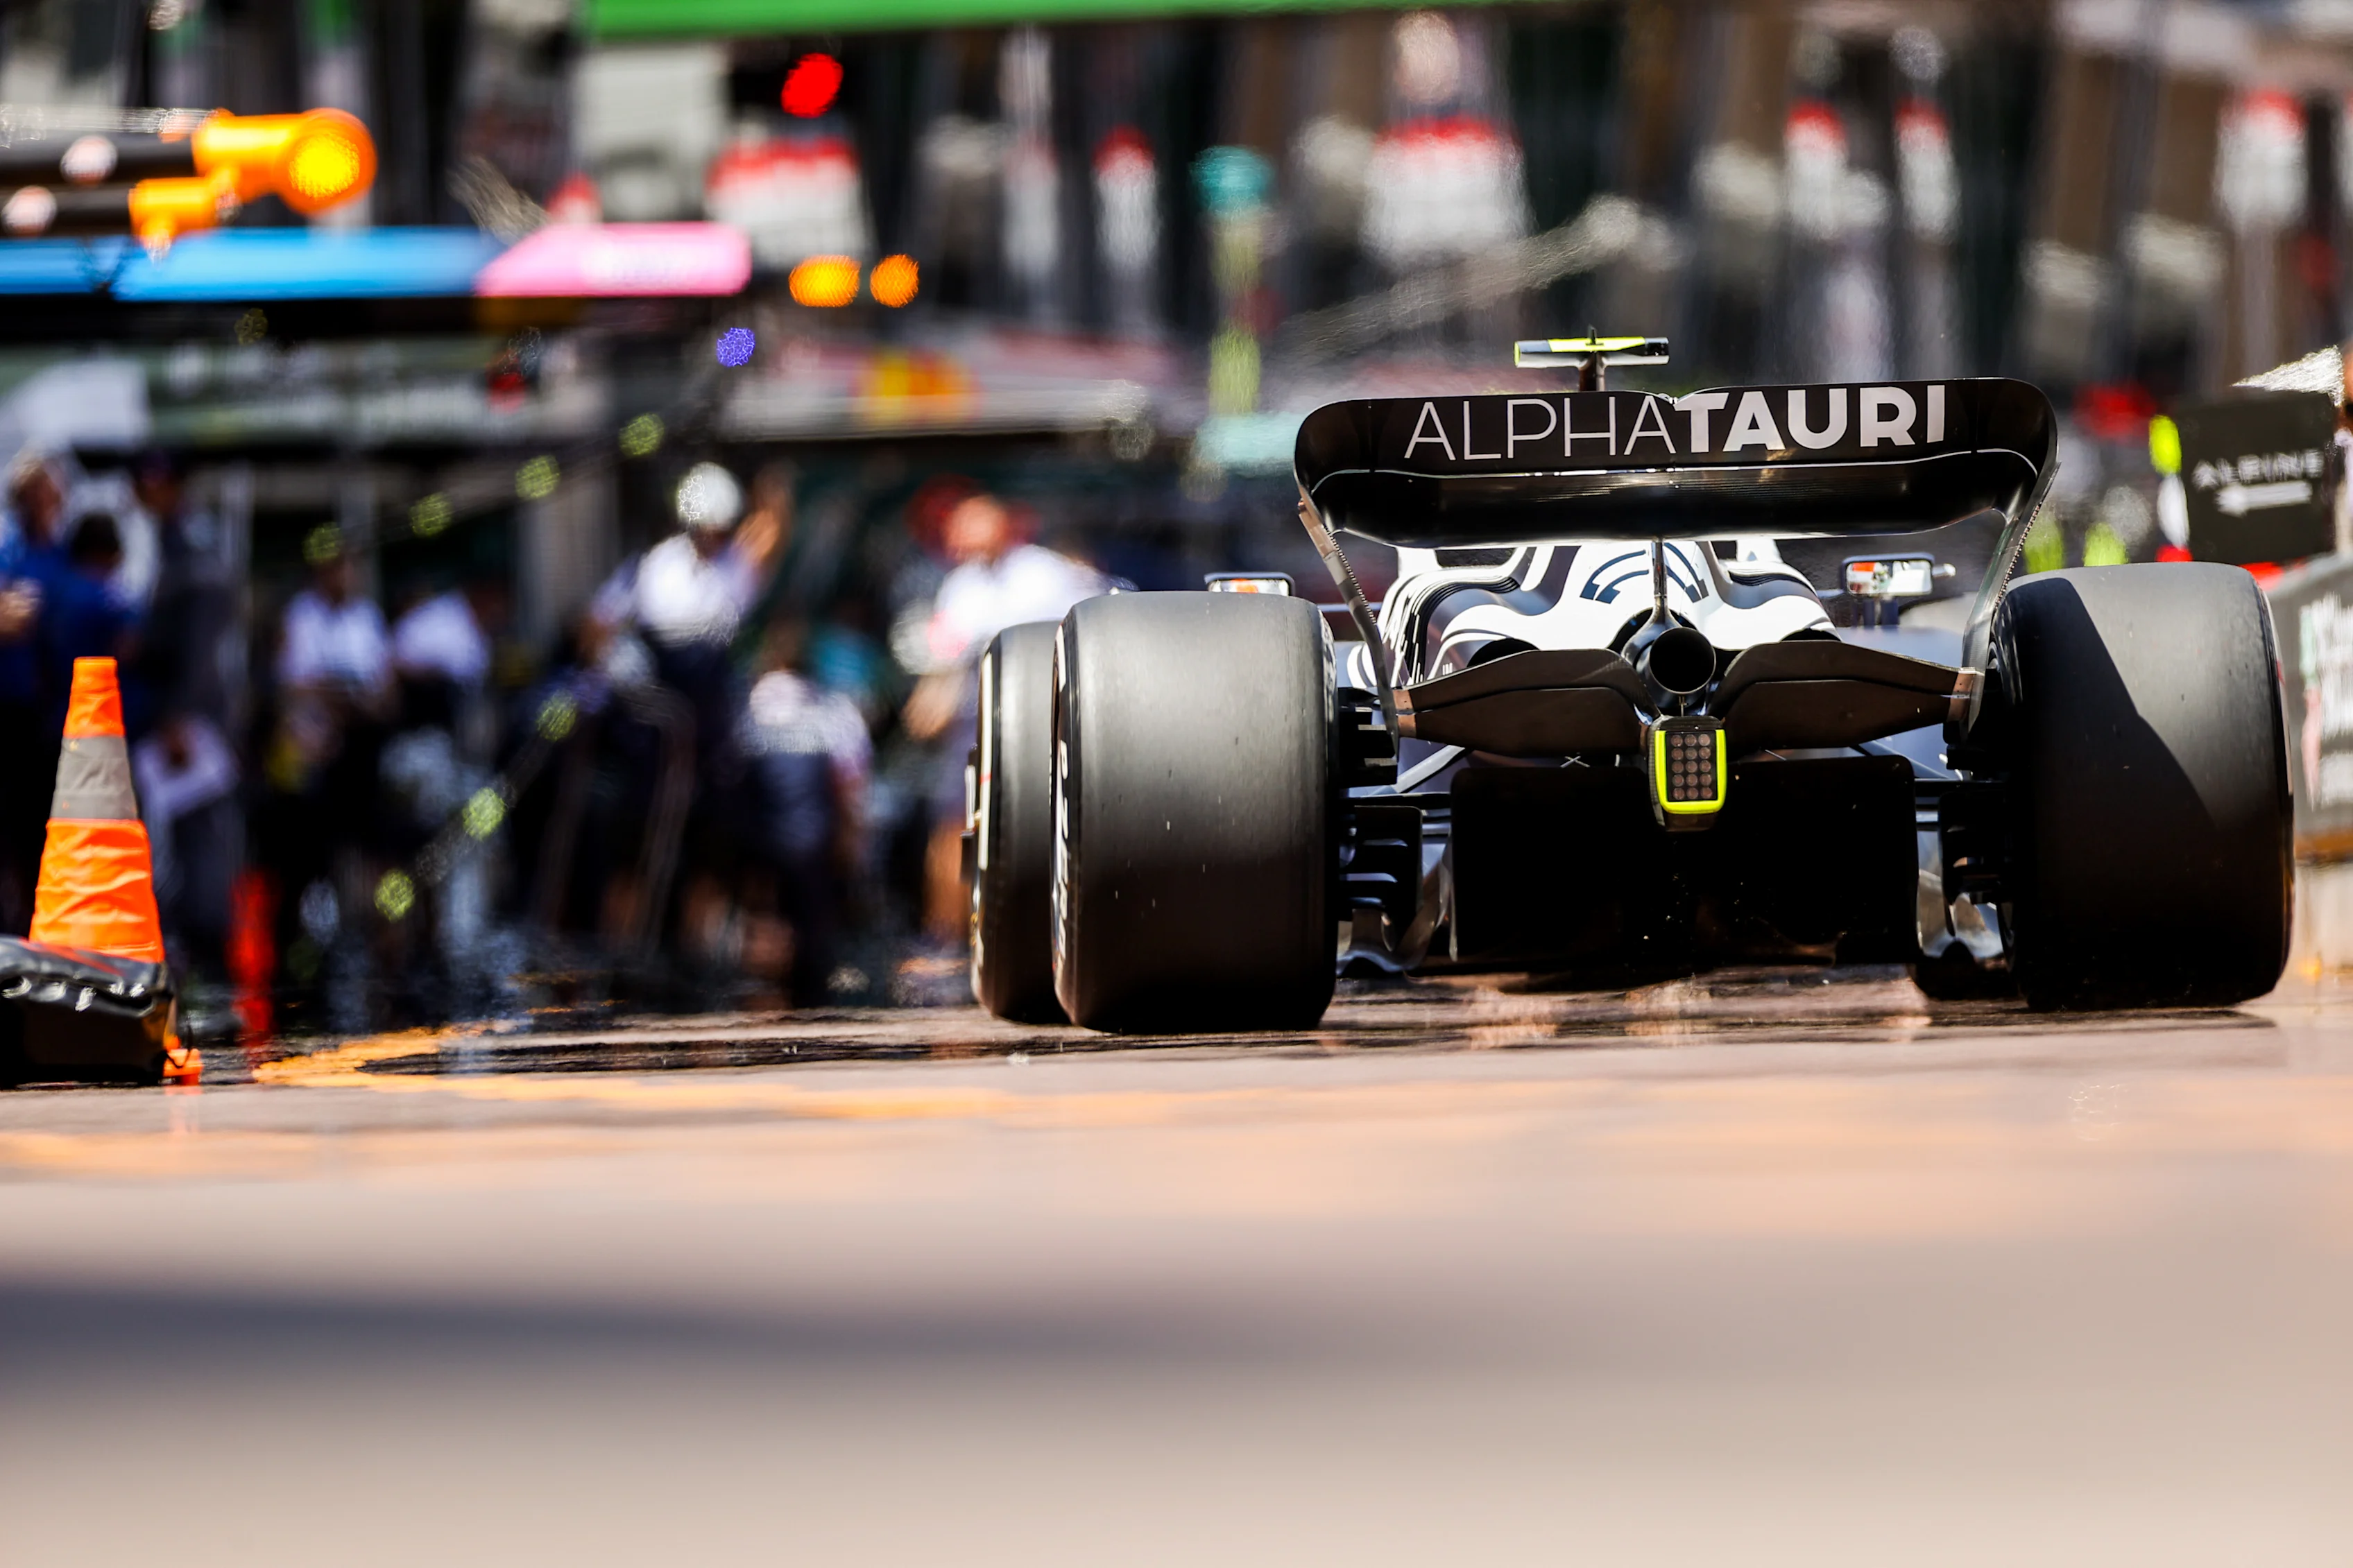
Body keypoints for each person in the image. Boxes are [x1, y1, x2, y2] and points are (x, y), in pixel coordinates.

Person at [902, 490, 1106, 945]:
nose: (961, 534)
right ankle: (946, 939)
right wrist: (927, 705)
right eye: (958, 525)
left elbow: (1100, 621)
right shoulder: (960, 584)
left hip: (1039, 726)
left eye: (972, 523)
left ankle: (1042, 936)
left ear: (1001, 525)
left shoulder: (1045, 572)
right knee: (955, 827)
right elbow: (945, 659)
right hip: (972, 731)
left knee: (1038, 828)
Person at [741, 623, 871, 1006]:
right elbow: (851, 782)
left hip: (758, 836)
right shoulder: (832, 710)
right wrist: (851, 839)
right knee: (813, 929)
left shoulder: (745, 706)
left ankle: (761, 988)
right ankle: (811, 991)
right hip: (813, 836)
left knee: (763, 916)